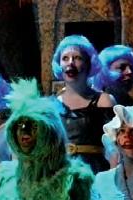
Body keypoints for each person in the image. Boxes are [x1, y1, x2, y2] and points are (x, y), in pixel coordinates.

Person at [53, 35, 115, 173]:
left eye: (77, 58)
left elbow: (115, 147)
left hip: (94, 174)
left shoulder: (103, 101)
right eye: (65, 58)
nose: (70, 63)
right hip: (61, 175)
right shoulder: (51, 104)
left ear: (88, 64)